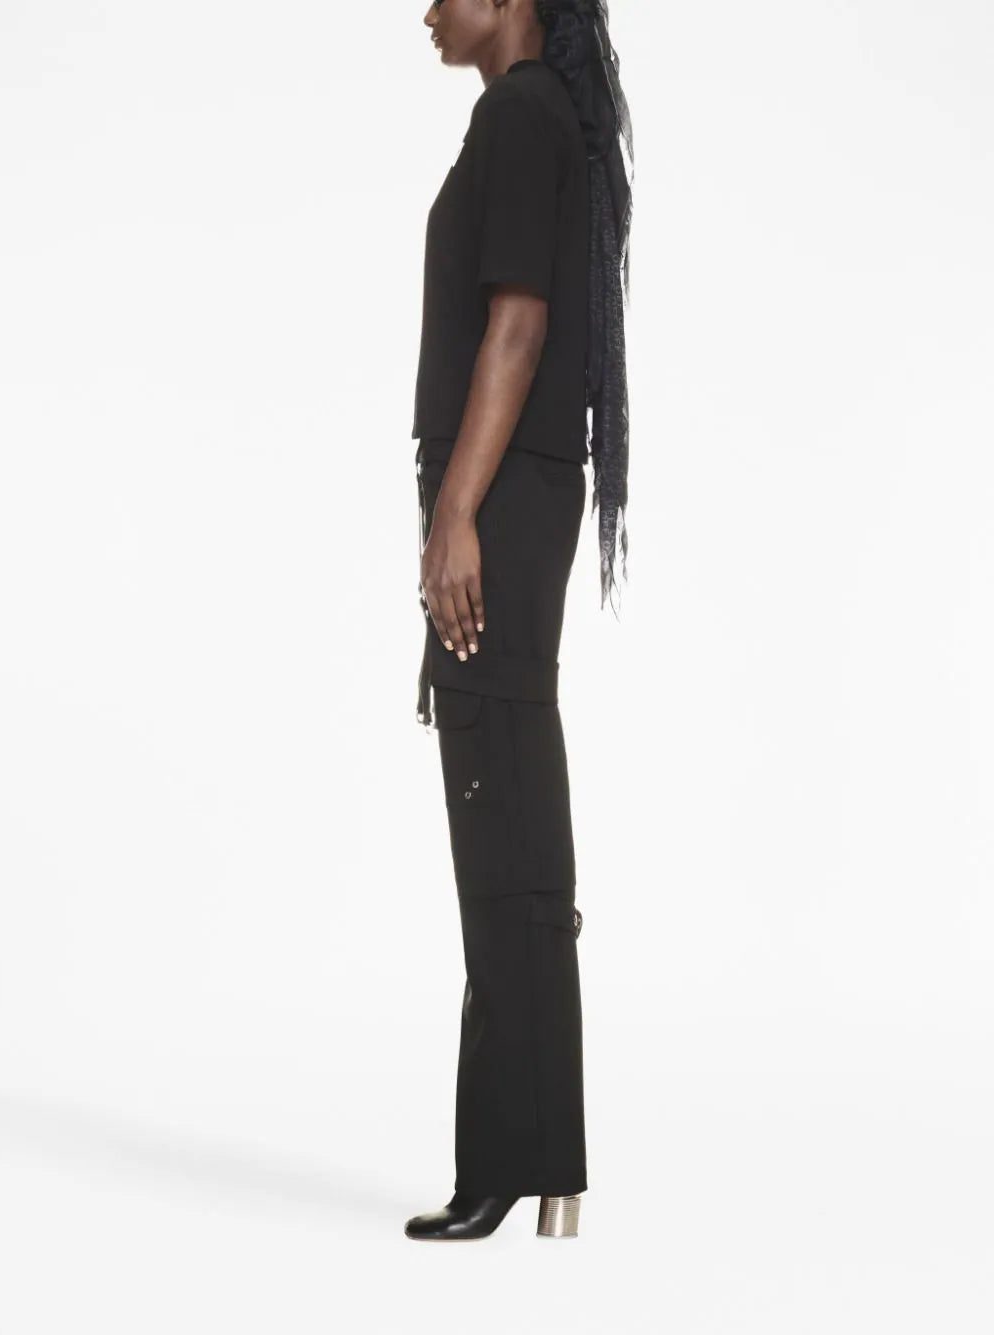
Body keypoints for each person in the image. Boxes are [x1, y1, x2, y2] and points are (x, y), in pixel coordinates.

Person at [405, 0, 633, 1242]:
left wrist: (455, 513)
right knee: (512, 811)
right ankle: (541, 1162)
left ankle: (517, 1163)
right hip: (520, 493)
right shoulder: (541, 119)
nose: (426, 9)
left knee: (502, 816)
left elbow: (519, 324)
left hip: (500, 499)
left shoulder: (519, 116)